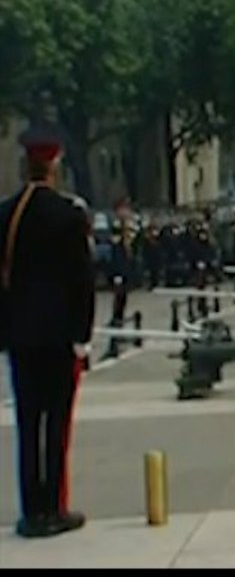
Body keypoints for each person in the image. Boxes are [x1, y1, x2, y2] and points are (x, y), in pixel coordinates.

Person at [0, 121, 94, 539]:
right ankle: (53, 507)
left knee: (27, 422)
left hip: (20, 336)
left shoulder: (5, 215)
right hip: (57, 336)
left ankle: (30, 509)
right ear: (54, 163)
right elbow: (82, 281)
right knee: (56, 425)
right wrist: (82, 335)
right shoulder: (68, 214)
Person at [106, 198, 138, 326]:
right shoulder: (116, 225)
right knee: (118, 291)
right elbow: (116, 243)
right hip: (118, 263)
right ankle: (116, 315)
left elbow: (132, 241)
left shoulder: (130, 224)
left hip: (126, 262)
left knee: (124, 292)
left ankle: (120, 314)